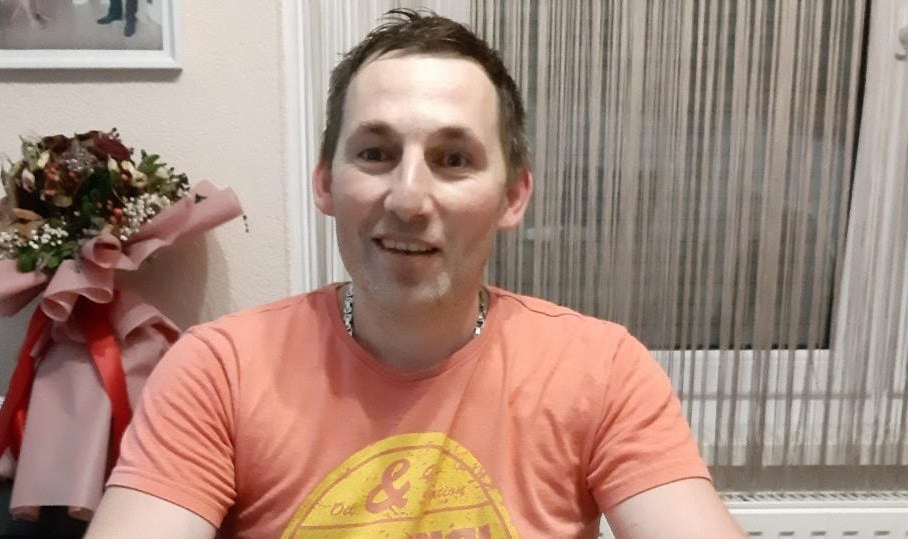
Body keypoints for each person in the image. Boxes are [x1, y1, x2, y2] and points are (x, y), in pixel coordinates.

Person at [86, 9, 746, 538]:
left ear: (513, 196)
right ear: (326, 182)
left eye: (453, 159)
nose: (407, 199)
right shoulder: (217, 370)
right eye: (376, 153)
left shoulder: (601, 369)